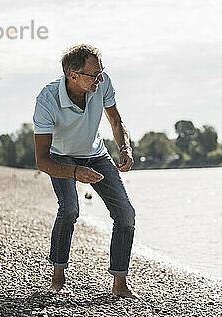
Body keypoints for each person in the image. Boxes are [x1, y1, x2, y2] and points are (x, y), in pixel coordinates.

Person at [32, 44, 137, 298]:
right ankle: (58, 277)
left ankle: (120, 284)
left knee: (126, 214)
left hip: (96, 154)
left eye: (101, 72)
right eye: (93, 75)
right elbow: (42, 161)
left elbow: (116, 121)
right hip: (60, 156)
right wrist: (75, 172)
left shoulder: (102, 83)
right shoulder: (47, 100)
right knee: (69, 209)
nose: (100, 79)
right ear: (73, 76)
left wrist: (124, 147)